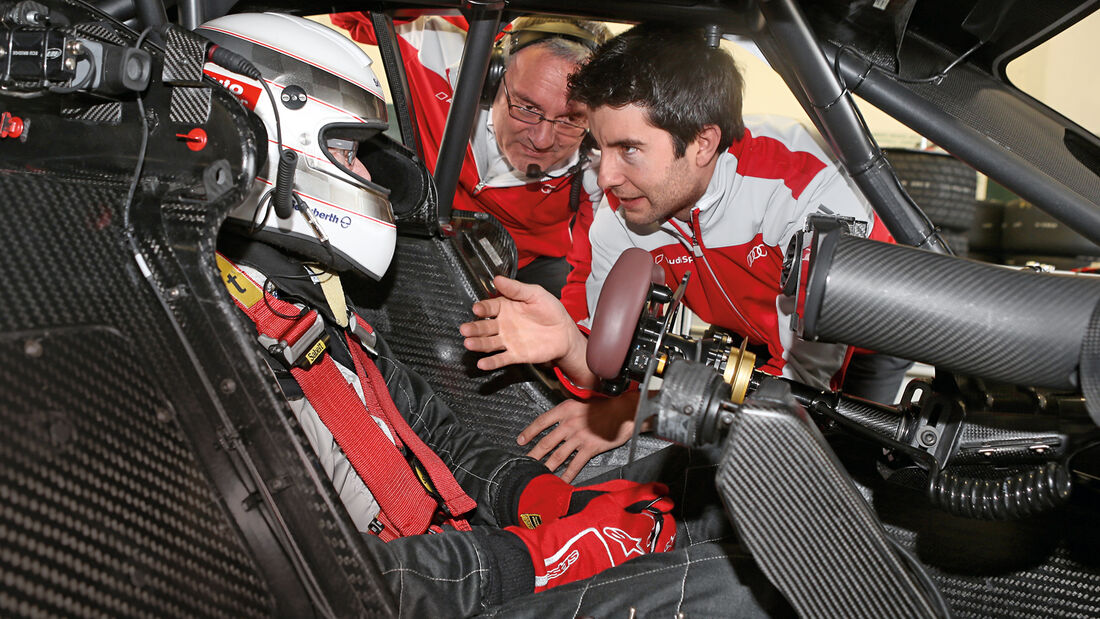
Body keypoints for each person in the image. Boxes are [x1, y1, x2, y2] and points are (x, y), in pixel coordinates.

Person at [198, 13, 772, 618]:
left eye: (582, 129)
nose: (599, 170)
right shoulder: (211, 344)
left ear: (704, 142)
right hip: (419, 583)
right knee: (733, 590)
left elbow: (438, 435)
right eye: (348, 149)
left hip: (455, 549)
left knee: (713, 487)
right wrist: (544, 553)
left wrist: (545, 500)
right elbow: (295, 578)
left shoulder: (321, 305)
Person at [460, 23, 896, 481]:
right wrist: (571, 344)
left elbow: (798, 394)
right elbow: (603, 360)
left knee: (851, 480)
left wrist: (643, 411)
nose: (605, 176)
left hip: (862, 350)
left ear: (703, 143)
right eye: (599, 146)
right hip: (751, 354)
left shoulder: (801, 188)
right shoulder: (622, 212)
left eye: (629, 149)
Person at [331, 11, 609, 312]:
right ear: (492, 79)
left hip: (524, 269)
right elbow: (348, 16)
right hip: (419, 241)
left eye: (571, 119)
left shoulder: (601, 164)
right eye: (527, 107)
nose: (542, 139)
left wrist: (565, 349)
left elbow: (591, 279)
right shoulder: (436, 50)